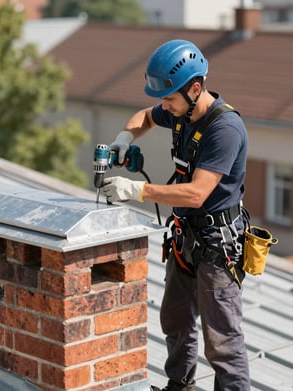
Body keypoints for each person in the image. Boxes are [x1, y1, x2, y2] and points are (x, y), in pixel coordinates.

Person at [102, 40, 250, 391]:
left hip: (217, 246)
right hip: (186, 238)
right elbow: (145, 116)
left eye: (169, 98)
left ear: (195, 88)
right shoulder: (183, 111)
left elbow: (197, 192)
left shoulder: (224, 130)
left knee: (223, 343)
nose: (164, 106)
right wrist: (125, 137)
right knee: (176, 319)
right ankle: (180, 386)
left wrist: (137, 191)